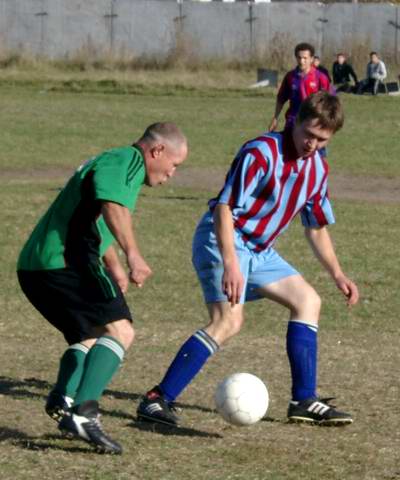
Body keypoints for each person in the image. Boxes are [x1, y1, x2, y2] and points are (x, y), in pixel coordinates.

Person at [137, 92, 359, 428]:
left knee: (308, 301)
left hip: (259, 250)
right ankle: (158, 399)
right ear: (295, 121)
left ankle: (303, 400)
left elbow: (316, 229)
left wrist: (338, 274)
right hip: (222, 238)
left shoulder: (317, 169)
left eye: (322, 139)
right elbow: (225, 207)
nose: (312, 144)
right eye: (308, 135)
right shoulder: (261, 152)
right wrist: (231, 263)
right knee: (228, 321)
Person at [17, 122, 188, 454]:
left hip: (38, 266)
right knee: (121, 331)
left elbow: (95, 219)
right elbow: (112, 207)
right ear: (157, 151)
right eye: (174, 165)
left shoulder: (115, 164)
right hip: (61, 262)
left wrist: (115, 267)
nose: (172, 174)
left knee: (91, 336)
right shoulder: (127, 160)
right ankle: (84, 414)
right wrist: (134, 255)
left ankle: (64, 397)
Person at [268, 42, 332, 132]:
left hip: (313, 124)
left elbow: (330, 102)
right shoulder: (290, 76)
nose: (302, 61)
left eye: (305, 58)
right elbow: (281, 98)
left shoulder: (321, 78)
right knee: (288, 145)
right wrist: (275, 118)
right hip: (292, 122)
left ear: (311, 59)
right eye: (299, 57)